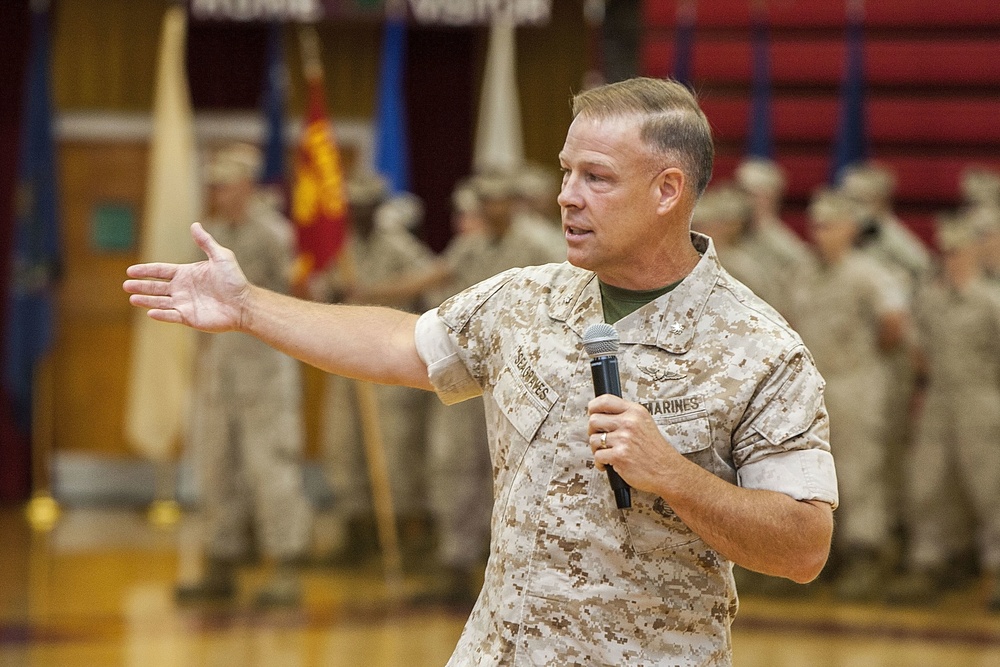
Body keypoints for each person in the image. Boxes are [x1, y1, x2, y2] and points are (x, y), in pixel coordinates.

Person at [125, 77, 836, 665]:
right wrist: (249, 307)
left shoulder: (759, 347)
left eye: (596, 177)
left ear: (666, 190)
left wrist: (673, 474)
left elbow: (804, 546)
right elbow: (400, 344)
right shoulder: (526, 296)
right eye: (565, 171)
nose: (567, 195)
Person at [175, 142, 314, 607]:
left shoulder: (274, 234)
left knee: (270, 466)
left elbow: (298, 293)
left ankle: (286, 565)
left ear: (247, 186)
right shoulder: (210, 232)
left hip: (265, 369)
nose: (217, 191)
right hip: (222, 370)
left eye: (225, 183)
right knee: (217, 467)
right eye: (212, 183)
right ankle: (221, 561)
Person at [309, 173, 437, 568]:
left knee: (394, 451)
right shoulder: (342, 249)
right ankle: (357, 534)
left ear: (379, 208)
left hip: (390, 364)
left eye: (368, 206)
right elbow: (322, 286)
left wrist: (376, 294)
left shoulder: (399, 246)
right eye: (355, 207)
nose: (360, 214)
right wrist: (329, 292)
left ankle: (400, 538)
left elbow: (430, 282)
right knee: (346, 448)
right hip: (347, 360)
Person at [788, 189, 908, 601]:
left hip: (856, 382)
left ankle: (866, 555)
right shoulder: (803, 271)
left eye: (830, 226)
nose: (820, 234)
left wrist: (864, 360)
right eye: (816, 225)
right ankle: (820, 558)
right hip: (811, 388)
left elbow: (893, 326)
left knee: (859, 473)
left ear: (850, 230)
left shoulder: (868, 273)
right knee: (812, 474)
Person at [886, 214, 1000, 611]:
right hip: (938, 399)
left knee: (990, 489)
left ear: (974, 251)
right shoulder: (931, 298)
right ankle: (931, 561)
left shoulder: (990, 301)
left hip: (981, 399)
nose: (951, 259)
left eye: (959, 251)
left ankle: (995, 569)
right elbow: (917, 347)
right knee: (929, 483)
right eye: (946, 252)